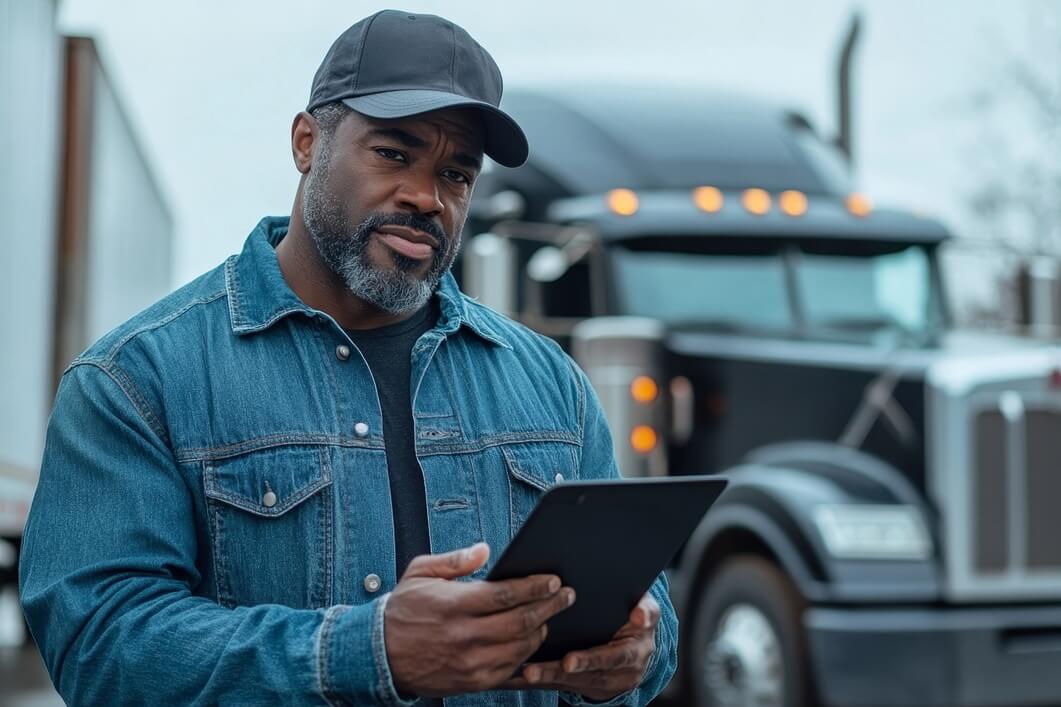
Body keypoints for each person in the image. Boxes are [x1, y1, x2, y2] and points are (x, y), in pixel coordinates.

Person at [19, 10, 677, 706]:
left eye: (455, 174)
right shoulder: (137, 380)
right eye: (394, 153)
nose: (426, 197)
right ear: (307, 143)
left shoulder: (551, 387)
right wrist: (366, 651)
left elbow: (647, 612)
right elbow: (100, 647)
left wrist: (636, 652)